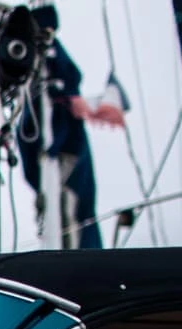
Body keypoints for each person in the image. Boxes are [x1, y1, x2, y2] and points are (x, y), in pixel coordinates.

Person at [18, 5, 127, 250]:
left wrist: (72, 99)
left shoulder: (50, 56)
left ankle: (72, 269)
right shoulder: (43, 59)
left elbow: (64, 88)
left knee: (70, 214)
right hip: (55, 152)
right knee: (65, 211)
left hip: (61, 154)